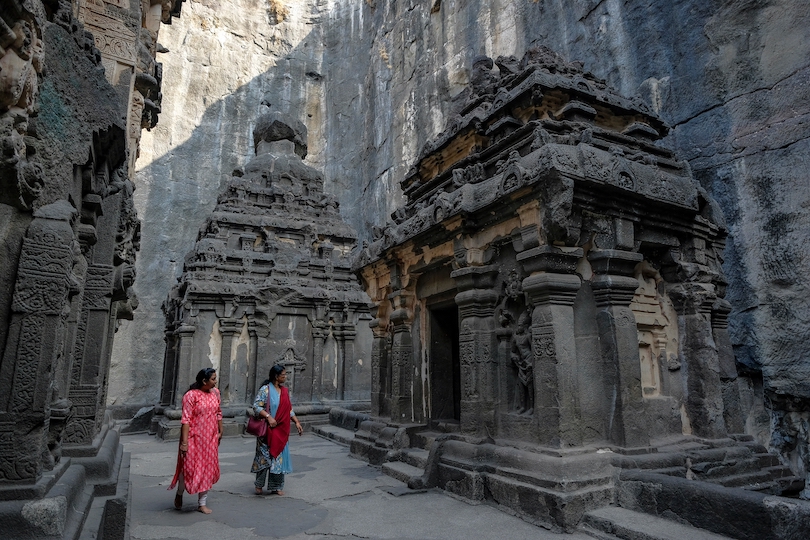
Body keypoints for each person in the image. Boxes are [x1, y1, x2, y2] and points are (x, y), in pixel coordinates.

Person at [169, 368, 223, 514]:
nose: (215, 381)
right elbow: (185, 420)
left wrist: (220, 430)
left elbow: (218, 412)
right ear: (204, 381)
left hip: (210, 439)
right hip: (193, 438)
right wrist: (184, 443)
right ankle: (180, 493)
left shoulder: (216, 393)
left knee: (207, 468)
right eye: (213, 379)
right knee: (188, 469)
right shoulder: (190, 396)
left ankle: (202, 503)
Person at [251, 364, 303, 495]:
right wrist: (269, 417)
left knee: (278, 459)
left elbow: (289, 409)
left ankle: (276, 486)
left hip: (281, 429)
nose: (285, 377)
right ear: (276, 376)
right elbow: (257, 406)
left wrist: (296, 422)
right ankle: (259, 484)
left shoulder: (284, 391)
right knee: (265, 457)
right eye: (283, 375)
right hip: (268, 430)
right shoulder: (265, 390)